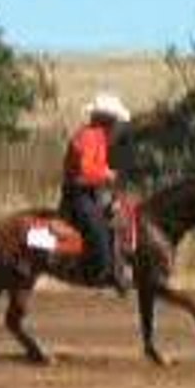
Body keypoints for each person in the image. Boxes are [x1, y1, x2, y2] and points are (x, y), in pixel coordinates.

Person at [60, 93, 131, 295]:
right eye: (115, 121)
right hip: (78, 195)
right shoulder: (89, 136)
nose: (117, 125)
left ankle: (117, 268)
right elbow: (85, 170)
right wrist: (107, 174)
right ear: (106, 120)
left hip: (90, 192)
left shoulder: (96, 136)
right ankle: (101, 272)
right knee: (98, 226)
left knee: (120, 218)